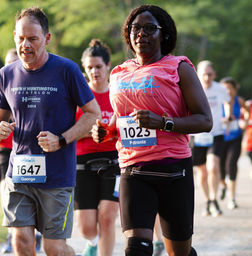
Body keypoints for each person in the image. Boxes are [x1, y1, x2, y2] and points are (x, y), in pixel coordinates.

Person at [91, 4, 212, 256]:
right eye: (136, 28)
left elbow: (204, 120)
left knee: (179, 252)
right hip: (134, 171)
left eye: (149, 28)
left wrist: (163, 122)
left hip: (173, 171)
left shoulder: (179, 68)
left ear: (163, 34)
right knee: (137, 249)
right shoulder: (119, 73)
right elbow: (121, 118)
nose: (141, 34)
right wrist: (106, 131)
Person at [0, 6, 100, 256]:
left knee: (54, 248)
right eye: (20, 38)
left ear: (47, 39)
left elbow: (94, 114)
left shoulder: (66, 70)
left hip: (57, 175)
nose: (25, 45)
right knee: (21, 241)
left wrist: (61, 140)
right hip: (19, 172)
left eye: (32, 38)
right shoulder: (6, 75)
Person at [0, 48, 43, 254]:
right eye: (8, 62)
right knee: (6, 190)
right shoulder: (1, 83)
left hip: (33, 149)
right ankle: (12, 234)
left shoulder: (36, 82)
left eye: (15, 62)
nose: (12, 66)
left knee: (36, 196)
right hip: (7, 150)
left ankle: (36, 235)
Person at [74, 39, 120, 256]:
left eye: (98, 66)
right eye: (89, 67)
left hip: (114, 161)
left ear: (108, 65)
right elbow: (69, 133)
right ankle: (92, 243)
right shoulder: (77, 98)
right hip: (82, 162)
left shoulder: (117, 96)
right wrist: (90, 132)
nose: (94, 71)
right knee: (86, 228)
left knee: (108, 217)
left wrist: (109, 134)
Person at [192, 60, 230, 217]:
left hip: (216, 133)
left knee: (213, 166)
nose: (207, 78)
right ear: (198, 75)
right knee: (202, 171)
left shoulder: (220, 89)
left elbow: (228, 102)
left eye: (209, 74)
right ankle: (207, 201)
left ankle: (214, 200)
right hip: (198, 135)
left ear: (214, 74)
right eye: (203, 74)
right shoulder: (192, 88)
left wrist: (227, 116)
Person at [219, 77, 248, 210]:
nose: (228, 91)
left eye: (230, 88)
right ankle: (223, 185)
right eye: (225, 88)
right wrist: (223, 119)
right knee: (220, 167)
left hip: (235, 138)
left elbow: (247, 111)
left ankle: (232, 198)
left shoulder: (239, 101)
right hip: (221, 138)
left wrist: (245, 122)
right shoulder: (218, 101)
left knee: (231, 164)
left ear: (235, 89)